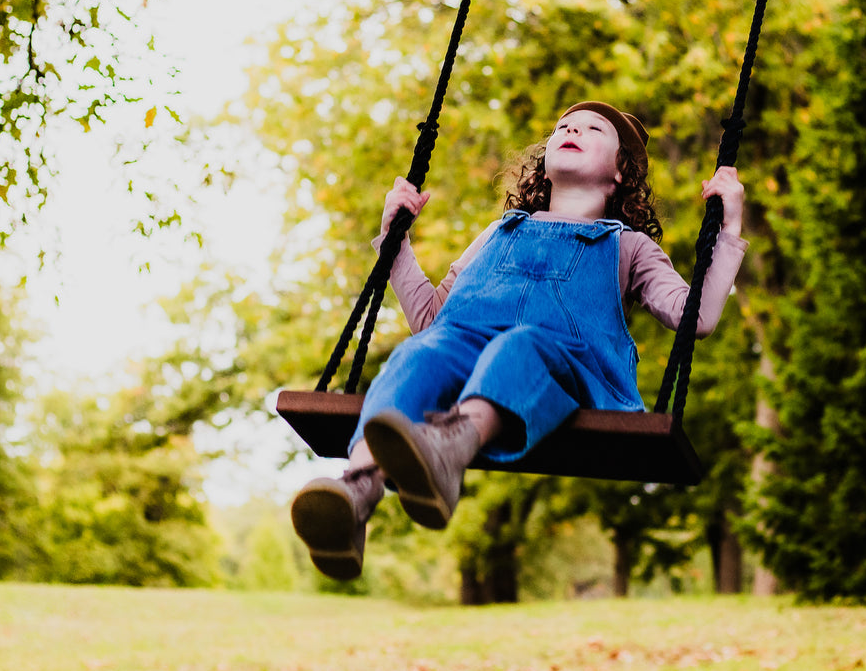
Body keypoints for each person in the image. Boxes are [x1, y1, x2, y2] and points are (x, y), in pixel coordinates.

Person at [290, 101, 748, 580]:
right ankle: (357, 490)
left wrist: (729, 225)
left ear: (619, 173)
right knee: (420, 353)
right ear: (544, 163)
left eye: (593, 129)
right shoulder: (497, 233)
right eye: (563, 126)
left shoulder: (628, 246)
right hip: (470, 356)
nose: (572, 129)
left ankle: (451, 446)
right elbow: (430, 319)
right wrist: (395, 243)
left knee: (520, 345)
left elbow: (693, 315)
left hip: (569, 375)